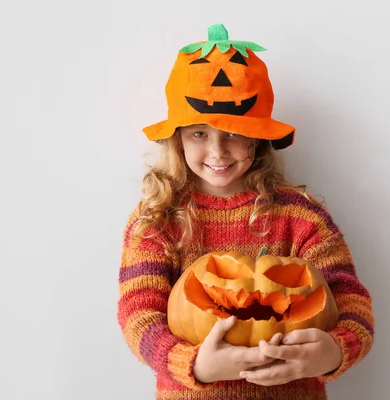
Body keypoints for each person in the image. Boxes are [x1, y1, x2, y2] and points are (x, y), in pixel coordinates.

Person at [117, 23, 374, 400]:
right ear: (178, 139)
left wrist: (334, 351)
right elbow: (138, 313)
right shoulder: (158, 218)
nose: (218, 151)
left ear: (258, 137)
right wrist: (195, 364)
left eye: (234, 133)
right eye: (199, 134)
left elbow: (352, 302)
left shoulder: (301, 218)